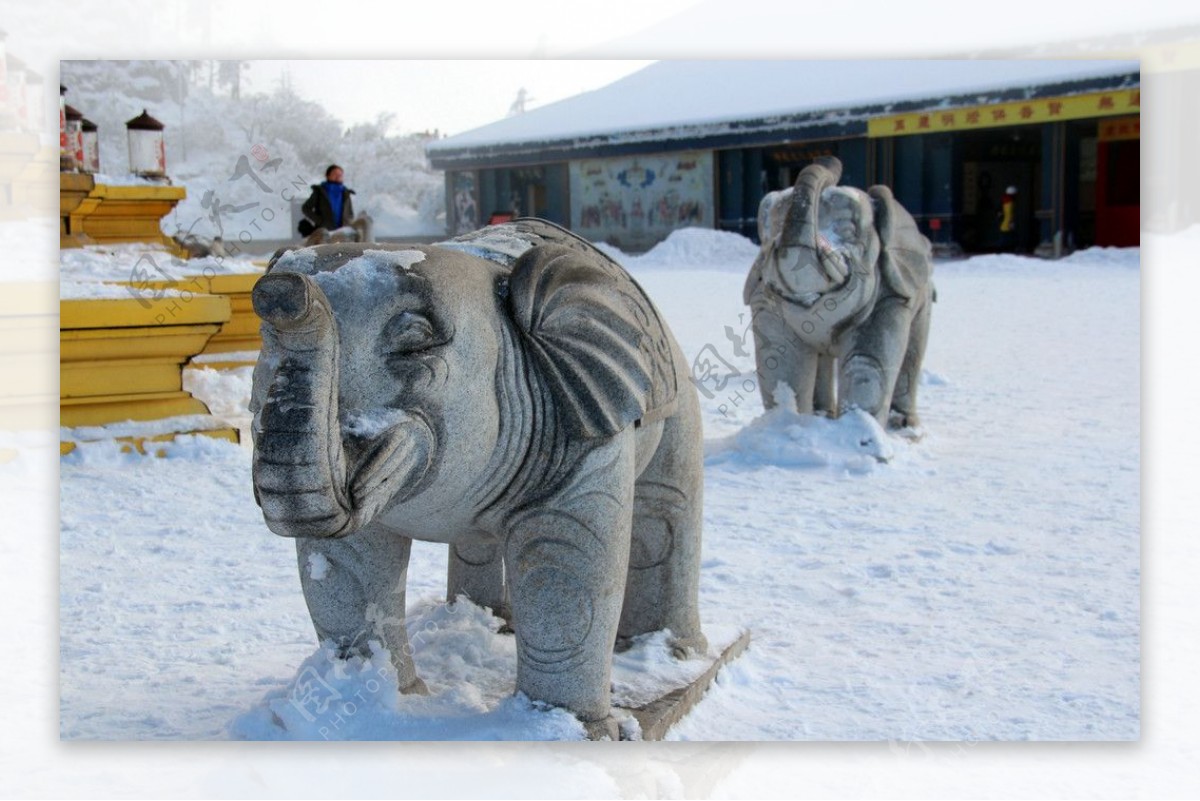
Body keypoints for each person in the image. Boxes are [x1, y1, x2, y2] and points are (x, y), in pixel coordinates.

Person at [300, 164, 369, 244]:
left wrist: (349, 223)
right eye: (335, 174)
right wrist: (319, 221)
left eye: (340, 175)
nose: (338, 176)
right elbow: (306, 208)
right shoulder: (320, 191)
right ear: (328, 175)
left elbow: (350, 213)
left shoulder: (346, 193)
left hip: (343, 232)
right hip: (325, 232)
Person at [998, 185, 1017, 251]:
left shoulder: (1003, 201)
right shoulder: (1010, 202)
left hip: (1004, 224)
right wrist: (1011, 222)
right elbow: (1010, 213)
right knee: (1008, 239)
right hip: (1008, 224)